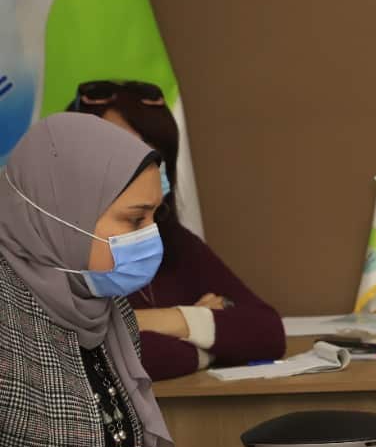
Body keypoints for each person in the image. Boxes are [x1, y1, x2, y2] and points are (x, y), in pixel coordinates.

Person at [0, 113, 183, 447]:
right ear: (63, 216)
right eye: (134, 221)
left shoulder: (105, 302)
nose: (151, 237)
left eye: (154, 217)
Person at [70, 80, 285, 380]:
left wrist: (171, 320)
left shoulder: (172, 239)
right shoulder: (50, 249)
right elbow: (101, 356)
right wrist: (206, 339)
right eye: (123, 152)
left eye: (152, 154)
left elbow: (267, 332)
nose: (142, 166)